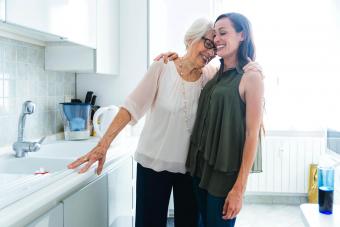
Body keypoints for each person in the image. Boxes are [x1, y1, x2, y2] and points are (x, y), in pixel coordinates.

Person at [68, 18, 217, 227]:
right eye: (207, 43)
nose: (211, 53)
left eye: (215, 49)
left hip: (191, 169)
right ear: (190, 38)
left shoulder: (210, 76)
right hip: (153, 164)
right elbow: (131, 107)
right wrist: (103, 146)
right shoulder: (163, 66)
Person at [186, 12, 264, 227]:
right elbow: (188, 63)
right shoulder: (214, 73)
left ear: (242, 35)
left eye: (223, 33)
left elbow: (252, 135)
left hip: (224, 176)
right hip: (199, 168)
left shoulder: (251, 76)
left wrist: (239, 189)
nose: (217, 39)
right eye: (214, 35)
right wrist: (171, 56)